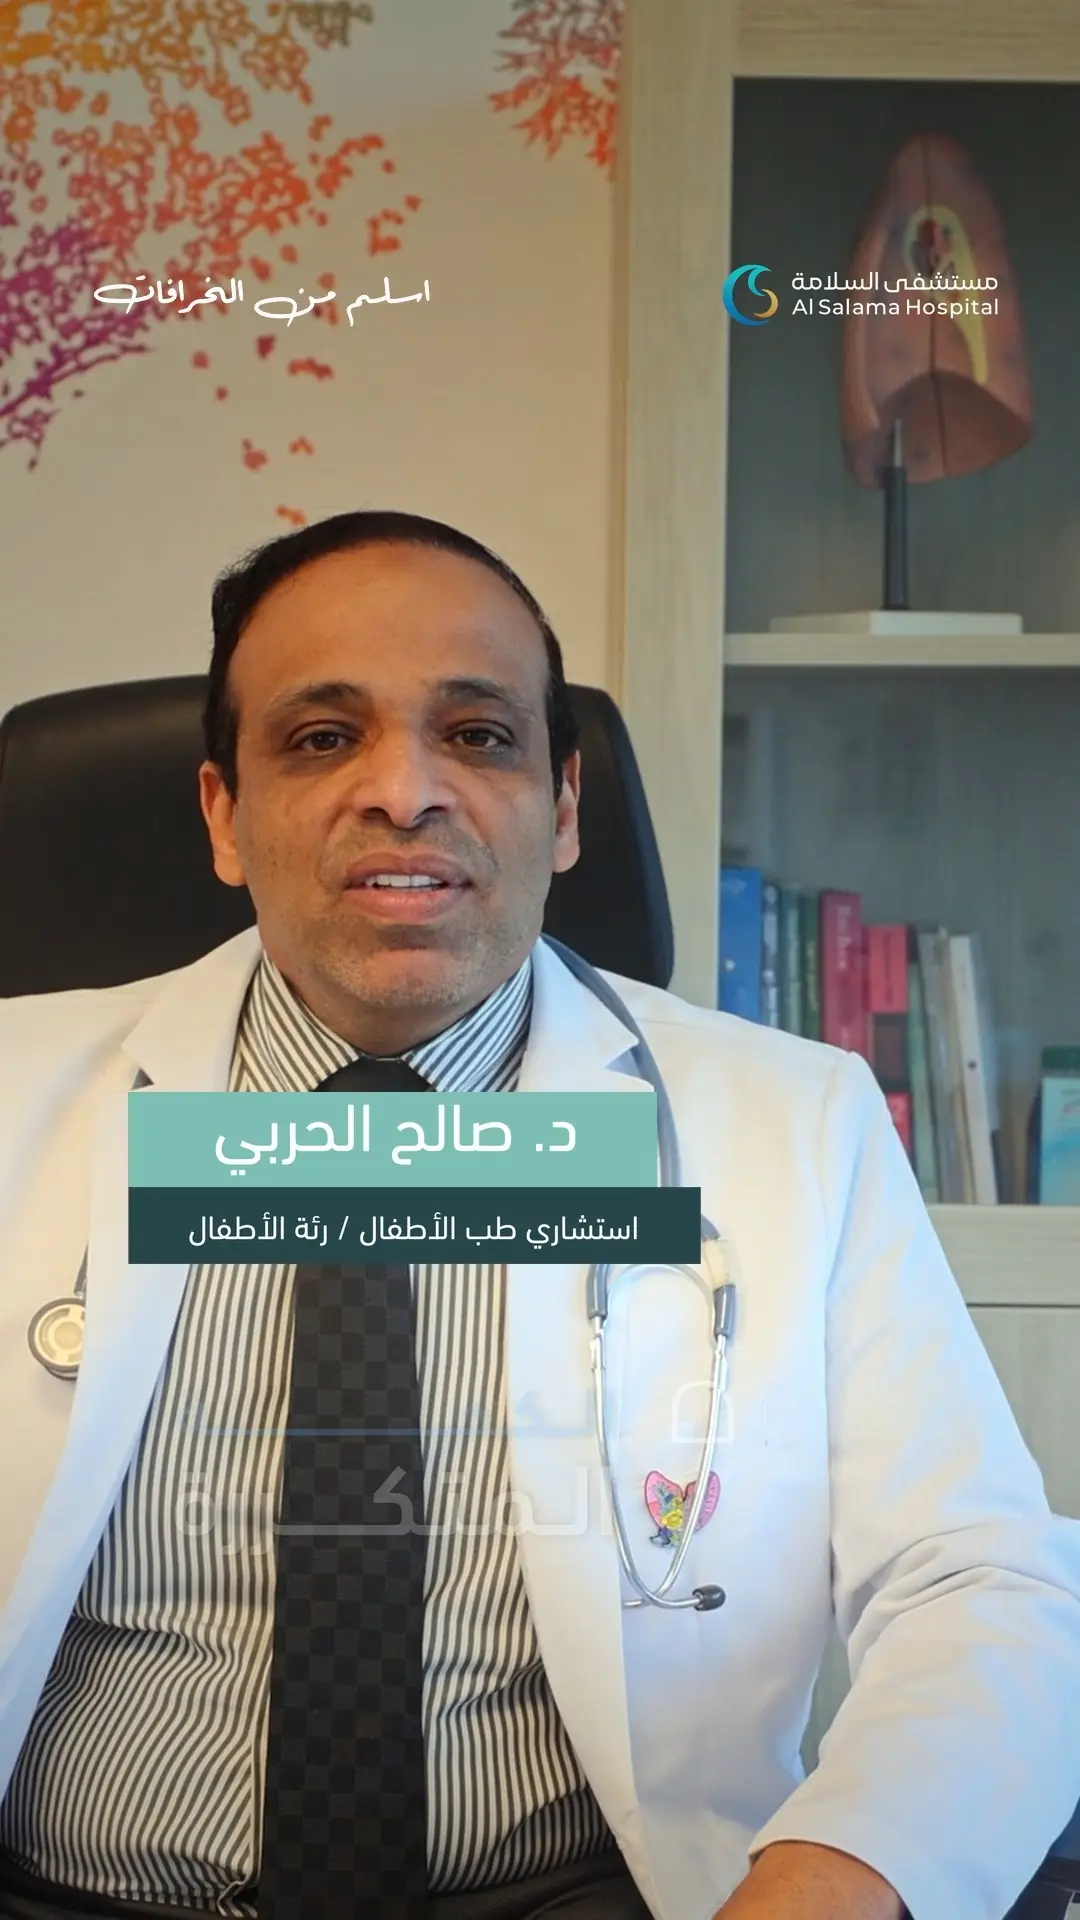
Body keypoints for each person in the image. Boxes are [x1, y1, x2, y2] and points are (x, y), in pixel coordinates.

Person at [1, 509, 1079, 1920]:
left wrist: (840, 1876)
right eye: (322, 738)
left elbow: (979, 1579)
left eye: (479, 735)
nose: (405, 792)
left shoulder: (792, 1123)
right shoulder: (17, 1095)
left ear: (566, 809)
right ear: (223, 815)